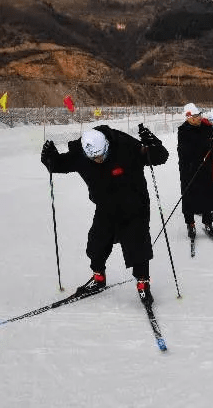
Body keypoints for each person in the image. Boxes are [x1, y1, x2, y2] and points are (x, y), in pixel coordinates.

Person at [40, 125, 169, 306]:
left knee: (137, 246)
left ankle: (143, 284)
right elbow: (58, 165)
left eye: (102, 154)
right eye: (94, 157)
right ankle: (98, 278)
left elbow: (160, 157)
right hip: (106, 207)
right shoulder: (81, 154)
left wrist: (153, 144)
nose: (99, 159)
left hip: (134, 205)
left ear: (107, 144)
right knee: (96, 244)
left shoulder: (125, 145)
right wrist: (49, 157)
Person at [177, 103, 213, 238]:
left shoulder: (207, 128)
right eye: (196, 116)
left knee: (207, 196)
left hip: (205, 168)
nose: (199, 118)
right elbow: (186, 150)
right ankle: (190, 224)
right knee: (189, 197)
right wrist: (206, 145)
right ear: (188, 117)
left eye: (199, 115)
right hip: (189, 169)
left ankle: (208, 223)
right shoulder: (183, 131)